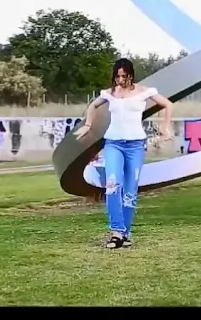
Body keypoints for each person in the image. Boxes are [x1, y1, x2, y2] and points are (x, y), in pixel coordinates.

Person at [75, 58, 174, 249]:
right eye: (117, 76)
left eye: (124, 76)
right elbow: (93, 106)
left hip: (135, 146)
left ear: (131, 75)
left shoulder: (144, 92)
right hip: (113, 144)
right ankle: (116, 232)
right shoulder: (109, 94)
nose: (120, 80)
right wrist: (88, 125)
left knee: (130, 192)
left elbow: (168, 104)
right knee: (113, 184)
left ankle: (125, 235)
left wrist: (165, 126)